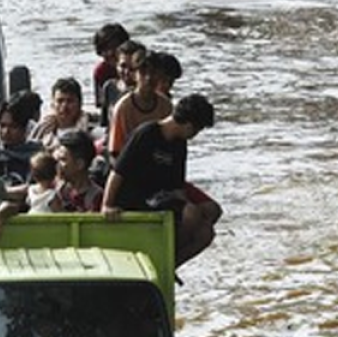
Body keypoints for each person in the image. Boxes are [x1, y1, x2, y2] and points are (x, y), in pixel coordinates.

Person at [102, 93, 221, 267]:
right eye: (197, 130)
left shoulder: (179, 145)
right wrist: (107, 204)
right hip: (135, 198)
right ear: (189, 125)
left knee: (207, 227)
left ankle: (169, 262)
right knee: (191, 214)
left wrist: (189, 208)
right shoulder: (147, 133)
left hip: (159, 197)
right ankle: (162, 254)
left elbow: (177, 187)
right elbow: (117, 172)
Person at [107, 49, 174, 158]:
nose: (148, 78)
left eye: (153, 72)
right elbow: (115, 150)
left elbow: (172, 142)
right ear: (134, 75)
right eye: (143, 72)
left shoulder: (166, 106)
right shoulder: (123, 108)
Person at [0, 99, 42, 185]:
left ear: (24, 128)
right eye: (2, 125)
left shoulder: (37, 154)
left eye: (13, 126)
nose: (6, 132)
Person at [31, 77, 93, 149]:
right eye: (60, 101)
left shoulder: (90, 131)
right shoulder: (42, 130)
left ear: (80, 104)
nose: (64, 106)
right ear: (53, 104)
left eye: (70, 101)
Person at [99, 39, 146, 129]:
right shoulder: (109, 87)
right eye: (123, 66)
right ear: (116, 64)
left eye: (132, 68)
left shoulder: (144, 93)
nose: (127, 72)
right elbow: (104, 124)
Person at [53, 129, 104, 212]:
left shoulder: (97, 198)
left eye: (63, 160)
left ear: (80, 164)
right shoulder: (54, 189)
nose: (58, 164)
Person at [91, 23, 130, 110]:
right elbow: (100, 105)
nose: (110, 52)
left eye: (114, 47)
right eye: (105, 49)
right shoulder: (101, 71)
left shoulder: (138, 66)